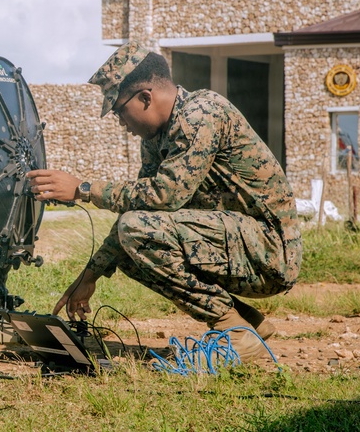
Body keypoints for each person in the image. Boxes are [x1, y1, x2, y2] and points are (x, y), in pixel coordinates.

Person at [26, 40, 302, 362]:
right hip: (238, 244)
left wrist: (83, 189)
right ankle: (246, 323)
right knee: (130, 245)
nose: (122, 123)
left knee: (135, 231)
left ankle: (235, 332)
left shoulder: (201, 112)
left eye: (120, 111)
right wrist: (90, 275)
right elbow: (141, 210)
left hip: (270, 252)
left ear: (145, 98)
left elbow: (165, 195)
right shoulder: (157, 137)